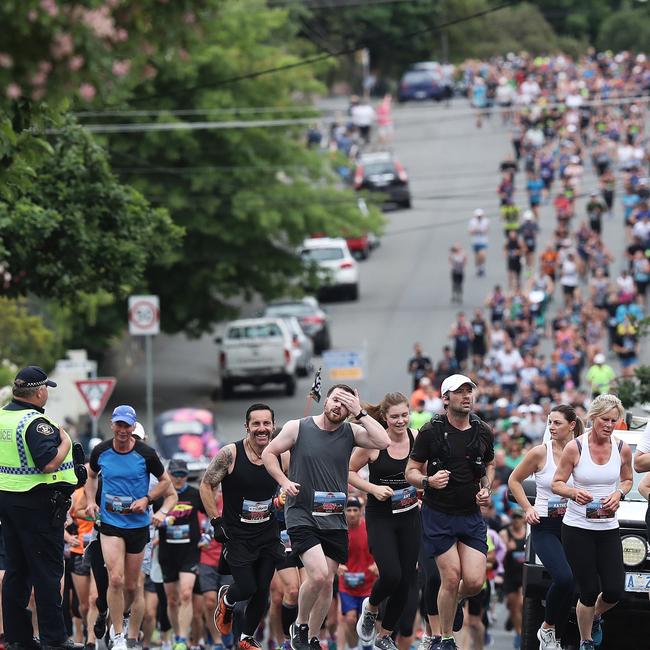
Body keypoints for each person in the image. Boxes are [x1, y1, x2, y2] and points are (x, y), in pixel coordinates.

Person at [261, 385, 390, 650]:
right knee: (318, 575)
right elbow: (268, 453)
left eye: (344, 404)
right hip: (301, 514)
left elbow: (383, 441)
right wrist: (284, 481)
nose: (337, 407)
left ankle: (311, 638)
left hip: (333, 516)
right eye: (335, 401)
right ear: (326, 401)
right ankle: (300, 625)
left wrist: (360, 412)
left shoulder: (351, 431)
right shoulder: (298, 427)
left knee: (327, 580)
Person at [405, 374, 495, 650]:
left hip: (470, 515)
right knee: (451, 576)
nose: (467, 396)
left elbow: (489, 465)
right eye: (460, 392)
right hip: (438, 514)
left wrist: (486, 487)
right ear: (446, 399)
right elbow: (410, 471)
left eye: (470, 391)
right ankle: (445, 638)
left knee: (475, 582)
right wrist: (427, 481)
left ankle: (454, 601)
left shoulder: (482, 431)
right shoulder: (430, 431)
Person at [0, 366, 79, 650]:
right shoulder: (35, 422)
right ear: (38, 391)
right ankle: (54, 639)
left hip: (8, 501)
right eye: (46, 388)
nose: (47, 392)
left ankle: (17, 637)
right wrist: (66, 444)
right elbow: (47, 463)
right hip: (36, 505)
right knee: (46, 573)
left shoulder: (2, 416)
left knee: (16, 570)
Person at [86, 405, 171, 650]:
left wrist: (147, 499)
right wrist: (91, 501)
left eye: (127, 426)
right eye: (119, 425)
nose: (123, 430)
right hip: (111, 524)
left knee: (132, 586)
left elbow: (165, 483)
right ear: (112, 425)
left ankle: (118, 617)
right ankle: (120, 637)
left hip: (138, 525)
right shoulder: (101, 451)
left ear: (134, 428)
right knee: (115, 579)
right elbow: (91, 476)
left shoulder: (146, 454)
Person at [552, 394, 633, 650]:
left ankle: (595, 616)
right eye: (604, 420)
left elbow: (628, 480)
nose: (609, 425)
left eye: (613, 420)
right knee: (587, 591)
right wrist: (574, 492)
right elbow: (557, 483)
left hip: (608, 528)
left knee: (614, 591)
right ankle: (585, 641)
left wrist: (619, 493)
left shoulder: (622, 448)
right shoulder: (575, 447)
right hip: (577, 528)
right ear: (593, 417)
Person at [200, 404, 284, 650]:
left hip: (268, 533)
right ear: (247, 426)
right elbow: (206, 485)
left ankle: (246, 637)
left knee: (262, 591)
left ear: (273, 426)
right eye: (256, 424)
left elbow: (291, 482)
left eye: (266, 423)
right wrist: (216, 521)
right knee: (247, 587)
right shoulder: (231, 454)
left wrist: (284, 497)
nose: (262, 429)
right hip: (237, 535)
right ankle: (227, 598)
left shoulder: (281, 454)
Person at [348, 393, 420, 650]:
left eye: (404, 415)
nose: (400, 421)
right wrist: (372, 489)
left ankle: (385, 635)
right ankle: (370, 607)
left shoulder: (417, 438)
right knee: (391, 575)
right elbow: (349, 472)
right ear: (385, 418)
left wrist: (422, 490)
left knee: (406, 580)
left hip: (410, 515)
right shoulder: (374, 443)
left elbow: (426, 469)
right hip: (381, 517)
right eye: (394, 417)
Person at [508, 404, 581, 649]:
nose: (551, 427)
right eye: (549, 422)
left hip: (574, 525)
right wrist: (527, 508)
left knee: (573, 586)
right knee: (563, 578)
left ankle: (555, 637)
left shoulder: (581, 453)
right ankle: (547, 628)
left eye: (557, 423)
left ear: (572, 426)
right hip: (545, 525)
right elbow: (514, 481)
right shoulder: (540, 452)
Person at [158, 459, 206, 650]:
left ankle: (182, 640)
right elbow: (146, 516)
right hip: (167, 551)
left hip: (190, 551)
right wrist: (158, 522)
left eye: (182, 475)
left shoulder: (194, 494)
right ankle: (176, 634)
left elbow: (211, 513)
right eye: (175, 474)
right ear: (168, 473)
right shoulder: (160, 495)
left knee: (186, 594)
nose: (178, 479)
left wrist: (209, 535)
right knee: (172, 599)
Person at [336, 498, 377, 650]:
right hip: (347, 584)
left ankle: (367, 645)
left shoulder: (369, 529)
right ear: (344, 512)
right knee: (350, 619)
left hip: (368, 583)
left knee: (367, 619)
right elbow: (331, 551)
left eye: (355, 510)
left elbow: (380, 548)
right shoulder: (340, 531)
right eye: (349, 510)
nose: (352, 514)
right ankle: (353, 647)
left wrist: (376, 564)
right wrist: (338, 566)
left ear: (361, 512)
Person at [468, 209, 489, 277]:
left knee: (482, 254)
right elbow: (470, 232)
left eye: (480, 216)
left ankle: (482, 267)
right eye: (478, 216)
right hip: (475, 241)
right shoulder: (472, 222)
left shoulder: (486, 221)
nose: (479, 217)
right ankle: (478, 268)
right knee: (477, 256)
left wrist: (482, 230)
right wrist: (476, 229)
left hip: (483, 241)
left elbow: (487, 230)